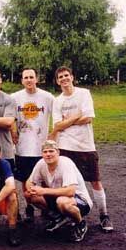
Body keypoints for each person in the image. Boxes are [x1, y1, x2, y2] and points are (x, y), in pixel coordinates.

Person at [49, 66, 114, 232]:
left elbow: (88, 118)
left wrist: (68, 121)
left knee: (95, 181)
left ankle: (104, 215)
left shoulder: (84, 93)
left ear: (72, 77)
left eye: (66, 75)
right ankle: (69, 214)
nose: (64, 79)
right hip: (65, 146)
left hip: (85, 145)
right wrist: (77, 115)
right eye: (60, 77)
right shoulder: (58, 100)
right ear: (57, 81)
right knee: (66, 184)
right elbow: (57, 125)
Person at [10, 67, 55, 222]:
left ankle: (46, 208)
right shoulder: (15, 98)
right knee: (25, 180)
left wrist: (54, 135)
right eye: (26, 77)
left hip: (41, 146)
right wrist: (13, 131)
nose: (29, 80)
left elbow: (57, 116)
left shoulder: (47, 97)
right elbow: (10, 118)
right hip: (22, 147)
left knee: (44, 179)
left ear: (37, 79)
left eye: (31, 77)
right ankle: (29, 207)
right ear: (22, 80)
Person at [25, 140, 92, 242]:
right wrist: (31, 189)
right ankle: (59, 218)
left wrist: (43, 191)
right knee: (30, 196)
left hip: (80, 200)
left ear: (58, 152)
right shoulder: (41, 163)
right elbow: (30, 181)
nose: (48, 154)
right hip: (58, 197)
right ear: (42, 154)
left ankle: (80, 223)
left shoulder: (66, 163)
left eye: (51, 151)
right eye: (45, 152)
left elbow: (70, 191)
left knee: (62, 202)